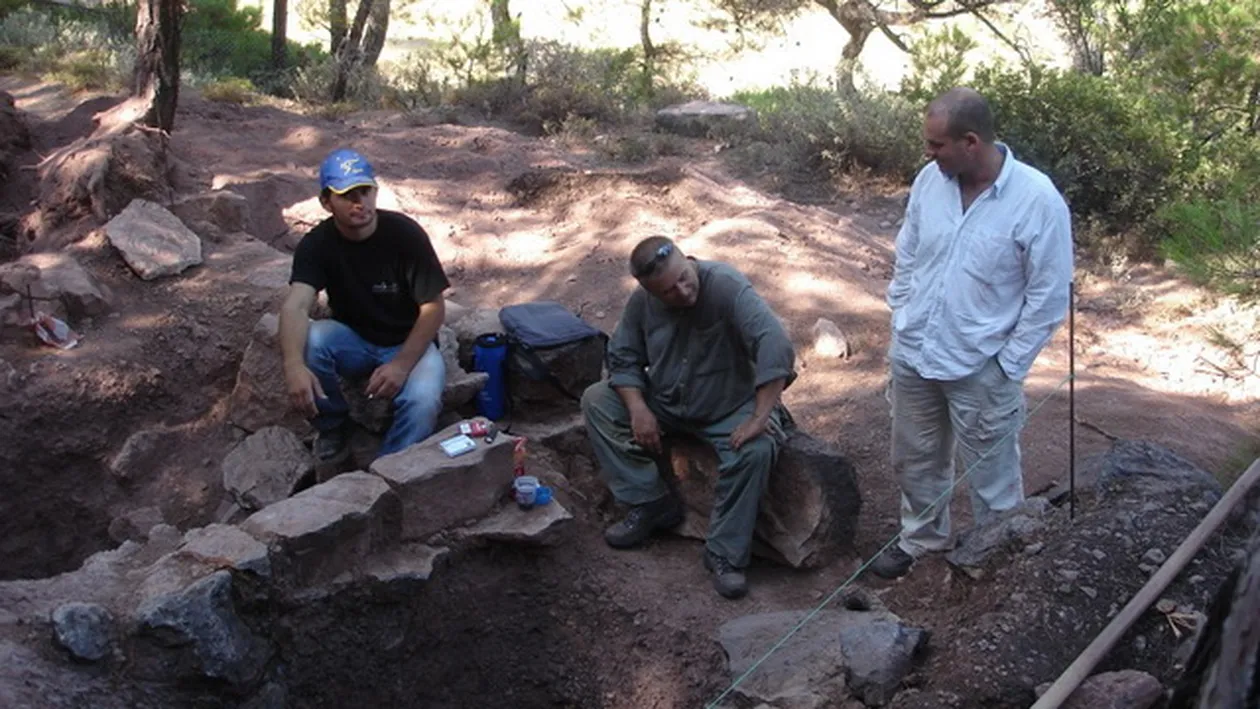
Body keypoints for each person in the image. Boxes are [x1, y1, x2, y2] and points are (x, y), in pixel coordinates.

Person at [872, 87, 1074, 579]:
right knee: (915, 459)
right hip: (915, 351)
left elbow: (1048, 294)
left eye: (936, 145)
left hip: (981, 364)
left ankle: (995, 559)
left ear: (970, 141)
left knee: (993, 475)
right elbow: (910, 250)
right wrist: (900, 312)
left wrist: (1009, 365)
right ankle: (921, 540)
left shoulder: (1037, 200)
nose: (927, 153)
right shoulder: (930, 181)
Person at [581, 236, 797, 599]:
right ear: (651, 291)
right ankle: (649, 502)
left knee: (756, 451)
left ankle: (724, 554)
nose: (681, 291)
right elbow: (622, 356)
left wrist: (761, 416)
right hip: (666, 399)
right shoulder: (643, 302)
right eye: (667, 291)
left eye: (683, 277)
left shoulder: (726, 285)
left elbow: (774, 343)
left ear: (686, 259)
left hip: (726, 406)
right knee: (596, 400)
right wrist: (638, 409)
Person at [278, 148, 449, 461]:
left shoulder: (405, 235)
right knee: (312, 340)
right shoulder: (317, 244)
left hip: (409, 342)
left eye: (365, 191)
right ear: (326, 202)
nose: (360, 203)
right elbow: (296, 306)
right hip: (354, 341)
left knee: (423, 402)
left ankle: (388, 471)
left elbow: (433, 307)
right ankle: (333, 425)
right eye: (347, 195)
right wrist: (293, 366)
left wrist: (401, 365)